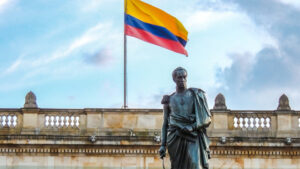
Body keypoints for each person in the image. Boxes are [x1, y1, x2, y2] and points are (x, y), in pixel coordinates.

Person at [159, 67, 211, 169]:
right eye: (179, 77)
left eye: (184, 77)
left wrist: (192, 127)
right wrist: (162, 145)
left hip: (193, 136)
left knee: (195, 165)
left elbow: (207, 119)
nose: (182, 79)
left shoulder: (196, 95)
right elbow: (165, 123)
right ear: (174, 79)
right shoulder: (169, 100)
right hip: (175, 138)